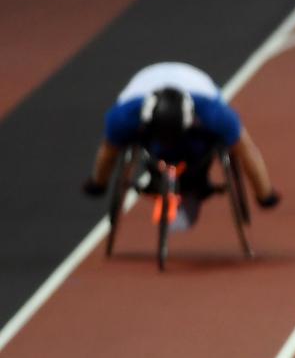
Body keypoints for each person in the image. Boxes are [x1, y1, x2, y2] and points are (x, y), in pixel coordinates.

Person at [82, 62, 280, 232]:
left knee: (202, 149)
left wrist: (264, 193)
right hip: (145, 94)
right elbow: (108, 152)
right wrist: (98, 183)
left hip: (197, 90)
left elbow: (245, 149)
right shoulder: (124, 116)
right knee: (151, 149)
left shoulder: (215, 113)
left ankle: (196, 180)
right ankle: (158, 175)